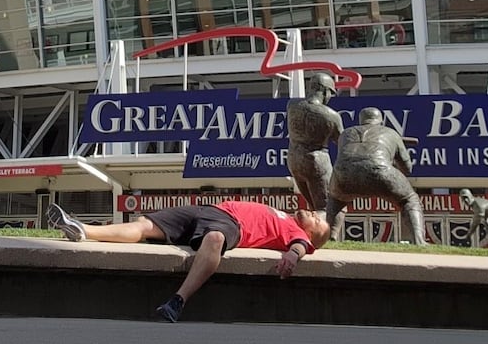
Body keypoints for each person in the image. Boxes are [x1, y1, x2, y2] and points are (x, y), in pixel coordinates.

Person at [47, 199, 330, 323]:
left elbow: (300, 247)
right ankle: (83, 229)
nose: (314, 214)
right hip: (209, 210)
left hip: (231, 224)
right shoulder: (286, 215)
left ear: (311, 234)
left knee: (216, 240)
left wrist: (292, 257)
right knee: (146, 225)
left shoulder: (296, 233)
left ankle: (177, 301)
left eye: (318, 220)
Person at [326, 107, 426, 244]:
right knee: (409, 199)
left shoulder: (345, 133)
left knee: (335, 200)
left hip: (344, 175)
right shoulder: (391, 133)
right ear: (380, 121)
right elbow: (407, 168)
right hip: (380, 171)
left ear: (361, 120)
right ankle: (419, 240)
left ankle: (329, 237)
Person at [286, 71, 343, 212]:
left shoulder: (292, 105)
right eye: (331, 93)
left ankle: (313, 233)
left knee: (313, 208)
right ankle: (328, 234)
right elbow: (342, 141)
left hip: (294, 161)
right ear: (324, 90)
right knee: (327, 207)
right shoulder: (331, 115)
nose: (330, 97)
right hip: (316, 162)